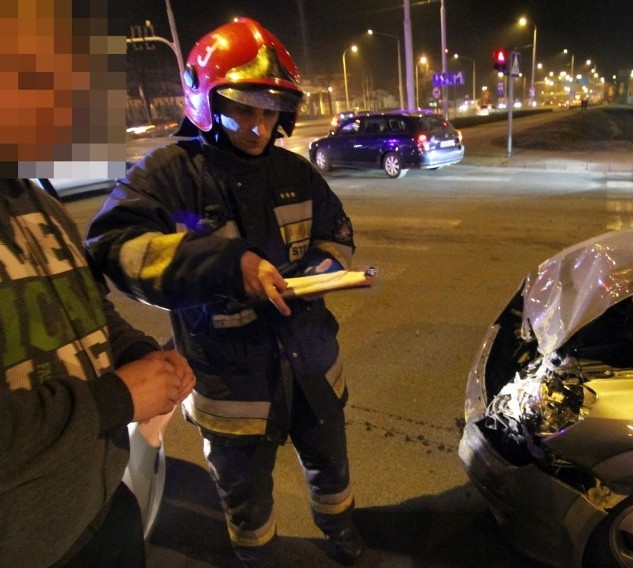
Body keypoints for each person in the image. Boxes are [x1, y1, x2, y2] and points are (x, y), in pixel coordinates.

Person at [84, 18, 363, 567]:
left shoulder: (297, 172)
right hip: (231, 383)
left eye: (270, 111)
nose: (259, 127)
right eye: (243, 109)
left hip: (312, 366)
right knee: (245, 494)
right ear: (206, 102)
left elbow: (338, 231)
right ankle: (257, 558)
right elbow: (112, 244)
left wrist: (324, 269)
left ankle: (342, 529)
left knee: (331, 463)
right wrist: (224, 265)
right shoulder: (168, 174)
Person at [0, 178, 195, 567]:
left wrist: (142, 356)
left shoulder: (35, 195)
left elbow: (90, 307)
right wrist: (116, 398)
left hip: (104, 503)